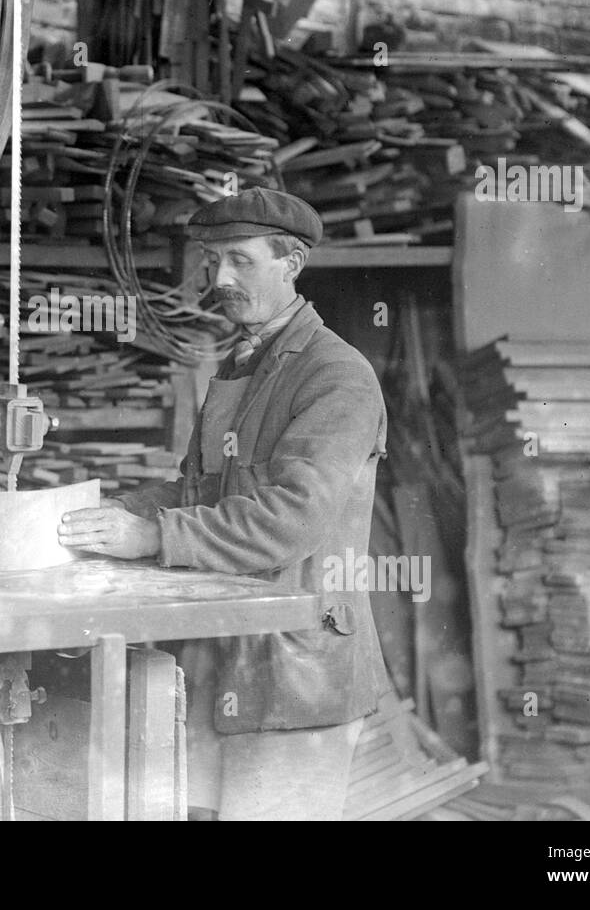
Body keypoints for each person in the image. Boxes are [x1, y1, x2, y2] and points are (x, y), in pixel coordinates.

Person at [59, 187, 391, 820]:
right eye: (212, 261)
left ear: (291, 263)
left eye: (240, 260)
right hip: (223, 659)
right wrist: (110, 515)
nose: (221, 278)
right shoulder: (244, 364)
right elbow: (198, 490)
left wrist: (153, 538)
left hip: (293, 672)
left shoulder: (335, 375)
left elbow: (288, 518)